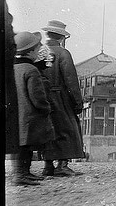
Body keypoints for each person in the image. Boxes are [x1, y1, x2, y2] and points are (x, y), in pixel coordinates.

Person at [40, 20, 84, 176]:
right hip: (61, 97)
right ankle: (62, 165)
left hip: (43, 97)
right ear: (61, 37)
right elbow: (71, 80)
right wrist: (77, 102)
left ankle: (48, 166)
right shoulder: (63, 53)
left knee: (49, 130)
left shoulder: (40, 51)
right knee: (67, 129)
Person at [12, 31, 55, 185]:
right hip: (30, 116)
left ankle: (22, 173)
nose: (38, 52)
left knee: (20, 146)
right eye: (37, 49)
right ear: (30, 51)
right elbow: (37, 96)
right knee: (27, 147)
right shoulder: (31, 70)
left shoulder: (14, 68)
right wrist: (46, 108)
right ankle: (22, 175)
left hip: (17, 115)